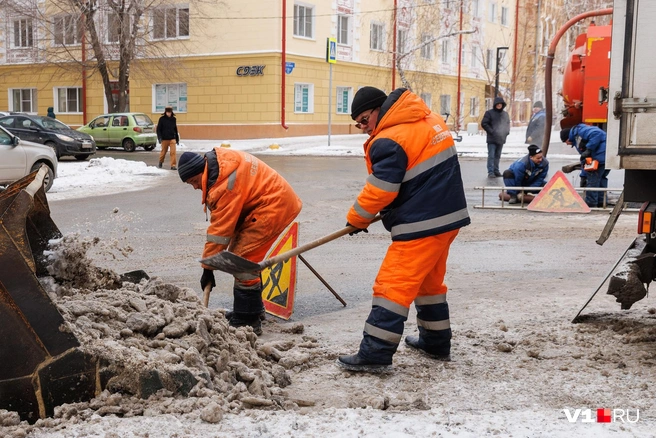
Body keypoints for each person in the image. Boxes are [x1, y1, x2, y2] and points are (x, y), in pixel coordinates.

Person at [337, 86, 470, 373]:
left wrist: (356, 219)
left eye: (364, 120)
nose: (363, 128)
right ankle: (435, 342)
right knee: (429, 284)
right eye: (358, 124)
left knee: (392, 286)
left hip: (422, 223)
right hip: (448, 217)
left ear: (378, 109)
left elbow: (381, 189)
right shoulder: (428, 119)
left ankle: (375, 353)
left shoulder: (390, 139)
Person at [177, 149, 302, 335]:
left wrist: (208, 268)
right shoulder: (220, 164)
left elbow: (220, 232)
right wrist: (210, 265)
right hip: (267, 201)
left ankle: (247, 319)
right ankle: (254, 310)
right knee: (241, 257)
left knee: (241, 261)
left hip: (273, 206)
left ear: (199, 172)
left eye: (193, 182)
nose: (195, 187)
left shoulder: (224, 185)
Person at [560, 124, 609, 208]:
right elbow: (584, 159)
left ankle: (591, 204)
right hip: (605, 158)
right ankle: (602, 202)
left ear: (568, 138)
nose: (567, 144)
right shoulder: (577, 137)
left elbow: (597, 134)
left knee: (592, 182)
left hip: (598, 159)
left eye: (565, 142)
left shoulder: (580, 131)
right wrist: (583, 175)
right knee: (601, 180)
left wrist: (589, 149)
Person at [481, 96, 511, 178]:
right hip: (492, 138)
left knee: (497, 155)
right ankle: (491, 172)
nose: (499, 105)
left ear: (502, 105)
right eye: (497, 104)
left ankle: (496, 170)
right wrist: (492, 131)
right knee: (491, 155)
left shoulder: (505, 114)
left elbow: (507, 124)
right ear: (495, 104)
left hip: (501, 138)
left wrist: (506, 132)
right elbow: (484, 123)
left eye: (500, 104)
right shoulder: (489, 113)